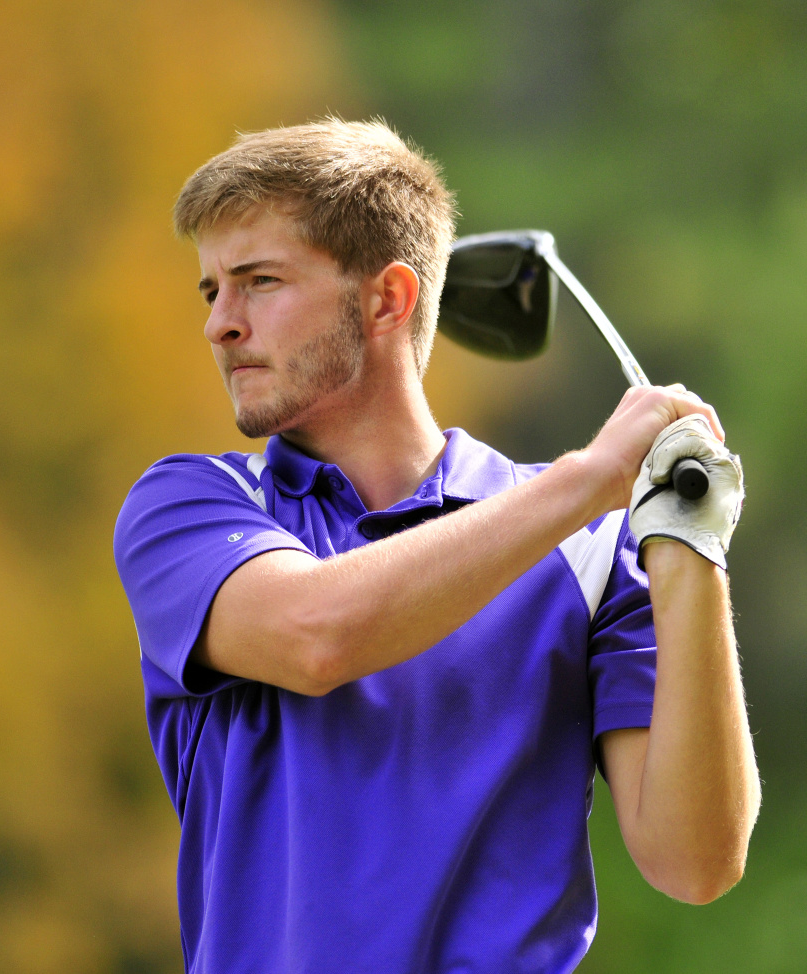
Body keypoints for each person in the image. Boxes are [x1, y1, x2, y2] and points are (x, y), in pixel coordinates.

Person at [114, 119, 759, 973]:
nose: (220, 326)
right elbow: (318, 636)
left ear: (387, 299)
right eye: (211, 292)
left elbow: (695, 863)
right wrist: (592, 477)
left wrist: (689, 552)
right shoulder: (192, 503)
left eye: (258, 281)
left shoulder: (595, 553)